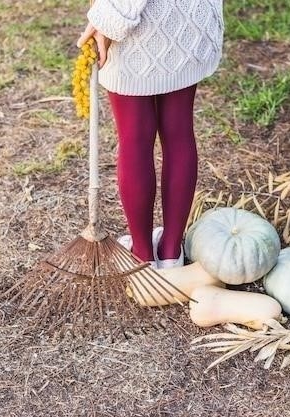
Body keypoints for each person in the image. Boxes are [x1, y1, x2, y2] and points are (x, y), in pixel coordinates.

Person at [77, 0, 224, 269]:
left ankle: (142, 255)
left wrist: (109, 17)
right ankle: (171, 252)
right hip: (189, 19)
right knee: (179, 131)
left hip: (141, 24)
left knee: (134, 138)